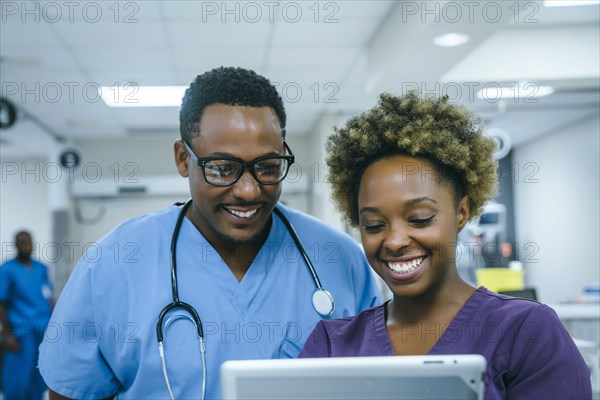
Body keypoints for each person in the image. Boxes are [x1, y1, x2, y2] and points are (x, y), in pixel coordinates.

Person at [38, 66, 382, 399]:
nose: (248, 191)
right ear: (183, 159)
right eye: (222, 168)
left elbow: (376, 383)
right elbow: (71, 392)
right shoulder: (114, 264)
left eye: (267, 167)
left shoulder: (340, 259)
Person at [299, 91, 592, 399]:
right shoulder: (332, 344)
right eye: (374, 225)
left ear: (462, 212)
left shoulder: (525, 331)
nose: (395, 241)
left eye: (420, 218)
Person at [0, 231, 53, 400]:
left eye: (29, 242)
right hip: (20, 334)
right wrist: (8, 334)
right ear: (16, 245)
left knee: (39, 378)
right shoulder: (7, 270)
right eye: (22, 242)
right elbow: (1, 302)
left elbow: (48, 297)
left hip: (43, 332)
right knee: (17, 380)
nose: (26, 246)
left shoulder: (41, 268)